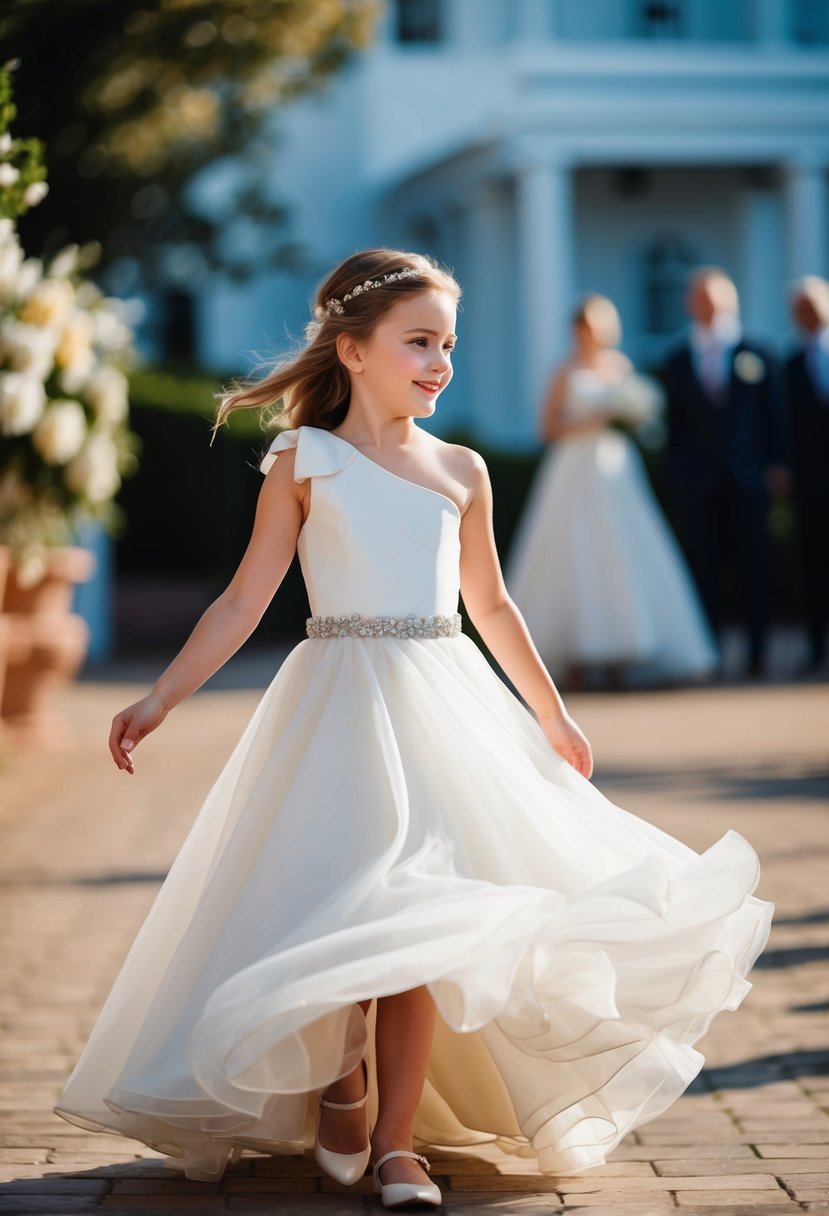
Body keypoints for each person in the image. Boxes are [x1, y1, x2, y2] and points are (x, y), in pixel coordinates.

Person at [53, 249, 772, 1206]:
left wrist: (550, 715)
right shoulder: (306, 460)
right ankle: (340, 1079)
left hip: (445, 702)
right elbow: (240, 601)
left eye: (448, 345)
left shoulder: (461, 469)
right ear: (351, 351)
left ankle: (397, 1142)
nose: (438, 362)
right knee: (340, 904)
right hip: (335, 703)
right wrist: (158, 699)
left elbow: (496, 607)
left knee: (424, 921)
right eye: (417, 342)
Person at [506, 293, 719, 690]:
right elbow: (547, 429)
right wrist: (593, 420)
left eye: (597, 326)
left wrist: (630, 419)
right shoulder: (564, 371)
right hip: (574, 468)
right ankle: (574, 658)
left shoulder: (621, 367)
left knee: (622, 551)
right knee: (574, 552)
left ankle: (623, 653)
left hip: (616, 470)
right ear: (576, 330)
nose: (591, 333)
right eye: (584, 326)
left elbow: (642, 417)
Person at [663, 267, 789, 678]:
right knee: (704, 568)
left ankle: (758, 654)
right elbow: (675, 427)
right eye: (698, 296)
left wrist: (776, 465)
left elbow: (775, 416)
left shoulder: (759, 351)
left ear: (730, 300)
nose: (706, 304)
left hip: (750, 478)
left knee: (756, 565)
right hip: (698, 483)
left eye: (713, 296)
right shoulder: (677, 359)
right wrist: (679, 476)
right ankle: (709, 654)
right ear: (689, 303)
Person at [785, 275, 829, 674]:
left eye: (812, 306)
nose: (806, 315)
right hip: (811, 481)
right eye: (799, 309)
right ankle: (816, 650)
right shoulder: (790, 364)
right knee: (813, 566)